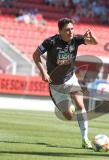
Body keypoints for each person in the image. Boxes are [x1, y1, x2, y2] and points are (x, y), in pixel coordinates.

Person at [32, 18, 98, 149]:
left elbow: (95, 43)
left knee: (81, 105)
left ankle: (85, 139)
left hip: (70, 79)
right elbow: (35, 55)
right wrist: (44, 73)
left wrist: (92, 36)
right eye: (67, 30)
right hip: (55, 85)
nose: (71, 32)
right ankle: (68, 108)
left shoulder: (76, 40)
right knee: (68, 116)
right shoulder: (51, 42)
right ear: (60, 31)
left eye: (72, 29)